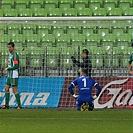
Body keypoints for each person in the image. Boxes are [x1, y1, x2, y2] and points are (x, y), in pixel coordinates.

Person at [1, 42, 21, 109]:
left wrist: (8, 68)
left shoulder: (15, 55)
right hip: (9, 75)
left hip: (14, 74)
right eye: (8, 47)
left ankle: (19, 105)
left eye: (10, 47)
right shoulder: (10, 55)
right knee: (6, 88)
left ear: (13, 47)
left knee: (14, 89)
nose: (9, 48)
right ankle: (6, 105)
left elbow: (16, 66)